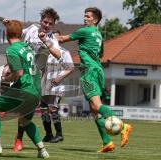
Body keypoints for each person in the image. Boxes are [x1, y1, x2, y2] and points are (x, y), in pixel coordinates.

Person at [56, 7, 132, 153]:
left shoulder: (85, 31)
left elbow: (62, 39)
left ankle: (123, 127)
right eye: (84, 16)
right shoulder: (98, 34)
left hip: (89, 72)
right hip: (97, 70)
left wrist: (45, 37)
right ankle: (107, 142)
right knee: (94, 110)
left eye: (88, 16)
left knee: (96, 106)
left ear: (95, 20)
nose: (85, 18)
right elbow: (101, 53)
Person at [0, 20, 49, 158]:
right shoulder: (26, 47)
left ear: (6, 34)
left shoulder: (11, 49)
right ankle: (42, 151)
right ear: (21, 34)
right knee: (25, 121)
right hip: (36, 91)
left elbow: (18, 74)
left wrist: (5, 78)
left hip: (24, 89)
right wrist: (9, 25)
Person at [12, 7, 63, 152]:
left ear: (53, 25)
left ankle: (19, 139)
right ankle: (17, 135)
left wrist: (45, 41)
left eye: (50, 23)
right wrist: (9, 25)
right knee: (21, 107)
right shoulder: (32, 29)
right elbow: (15, 33)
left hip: (36, 77)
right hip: (21, 71)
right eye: (45, 21)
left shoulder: (52, 38)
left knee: (26, 110)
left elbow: (58, 54)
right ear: (41, 21)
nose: (47, 25)